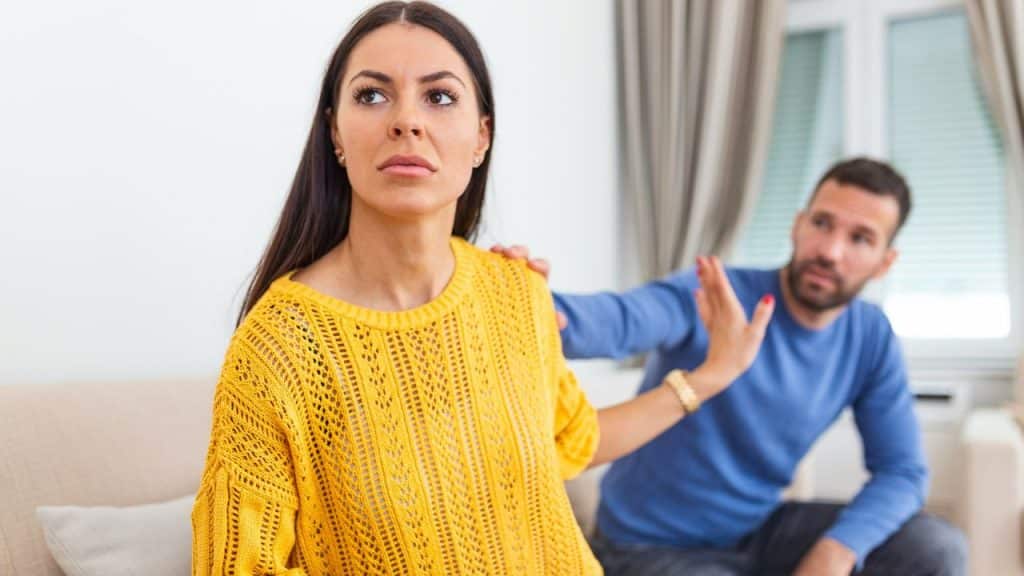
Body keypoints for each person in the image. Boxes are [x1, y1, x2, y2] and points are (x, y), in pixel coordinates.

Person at [190, 2, 774, 575]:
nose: (407, 121)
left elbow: (572, 440)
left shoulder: (516, 291)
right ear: (335, 134)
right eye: (372, 95)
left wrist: (712, 374)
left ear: (481, 137)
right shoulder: (278, 348)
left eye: (440, 97)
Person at [498, 158, 968, 575]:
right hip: (648, 548)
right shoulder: (717, 295)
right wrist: (528, 303)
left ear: (885, 262)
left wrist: (836, 552)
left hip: (756, 531)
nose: (830, 250)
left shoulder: (870, 336)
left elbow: (902, 472)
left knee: (935, 548)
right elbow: (619, 320)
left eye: (859, 238)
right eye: (822, 223)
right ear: (798, 225)